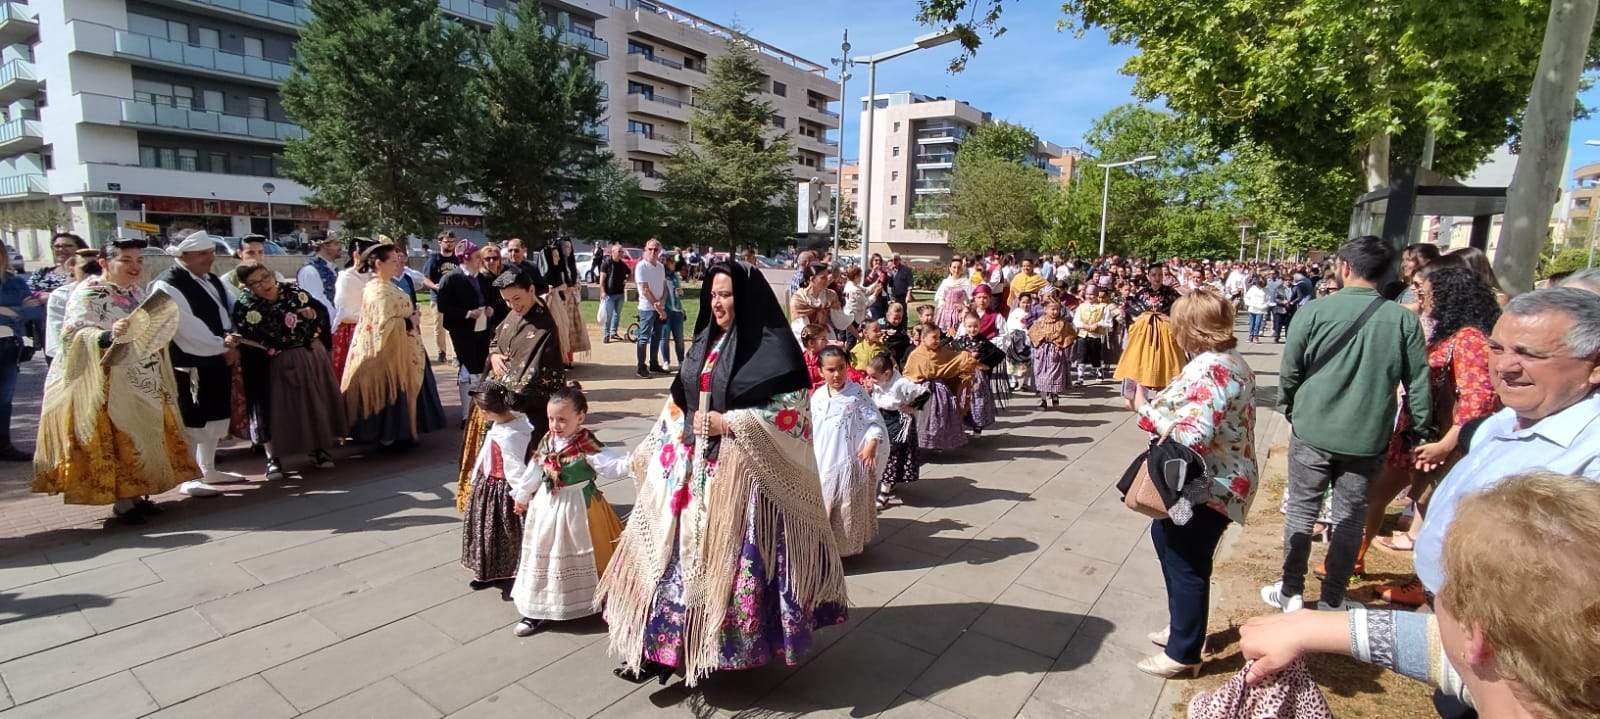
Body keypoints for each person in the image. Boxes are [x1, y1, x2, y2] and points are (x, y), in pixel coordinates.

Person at [595, 261, 848, 686]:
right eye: (713, 294)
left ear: (745, 298)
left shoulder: (774, 352)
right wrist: (666, 434)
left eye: (726, 294)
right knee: (669, 559)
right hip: (690, 473)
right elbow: (681, 398)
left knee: (722, 567)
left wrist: (730, 423)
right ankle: (658, 650)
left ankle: (714, 647)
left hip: (739, 479)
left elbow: (791, 413)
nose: (718, 302)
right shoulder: (705, 343)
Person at [1239, 471, 1600, 719]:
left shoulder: (1490, 673)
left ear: (1478, 638)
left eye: (1445, 585)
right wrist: (1310, 628)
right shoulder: (1541, 682)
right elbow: (1439, 650)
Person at [1265, 236, 1433, 613]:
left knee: (1302, 510)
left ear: (1344, 268)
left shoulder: (1312, 312)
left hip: (1313, 427)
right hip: (1367, 434)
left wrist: (1289, 407)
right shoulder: (1403, 320)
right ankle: (1333, 597)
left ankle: (1290, 589)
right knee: (1350, 515)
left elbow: (1290, 370)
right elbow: (1418, 383)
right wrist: (1419, 431)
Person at [1130, 290, 1257, 678]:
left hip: (1205, 486)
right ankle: (1185, 627)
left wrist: (1145, 410)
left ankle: (1184, 654)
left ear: (1191, 328)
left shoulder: (1212, 368)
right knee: (1168, 539)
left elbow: (1193, 435)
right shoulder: (1226, 360)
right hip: (1206, 483)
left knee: (1185, 559)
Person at [1356, 265, 1499, 606]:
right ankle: (1353, 557)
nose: (1418, 293)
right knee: (1376, 493)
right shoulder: (1448, 333)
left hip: (1441, 446)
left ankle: (1426, 582)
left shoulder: (1469, 339)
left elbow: (1478, 398)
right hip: (1416, 437)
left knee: (1433, 509)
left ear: (1448, 294)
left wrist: (1448, 444)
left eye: (1424, 289)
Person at [32, 237, 200, 523]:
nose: (134, 267)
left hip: (140, 377)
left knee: (141, 437)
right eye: (126, 260)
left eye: (139, 260)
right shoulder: (89, 293)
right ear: (104, 263)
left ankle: (138, 494)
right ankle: (124, 503)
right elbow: (73, 334)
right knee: (117, 440)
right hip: (105, 382)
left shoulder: (135, 292)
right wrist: (107, 335)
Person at [508, 382, 627, 636]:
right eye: (551, 418)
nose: (555, 425)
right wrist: (523, 495)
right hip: (547, 506)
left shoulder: (586, 442)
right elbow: (535, 470)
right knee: (543, 553)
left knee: (594, 551)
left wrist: (640, 460)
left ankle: (604, 599)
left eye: (562, 419)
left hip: (580, 507)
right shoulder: (548, 440)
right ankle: (537, 609)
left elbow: (611, 466)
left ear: (580, 417)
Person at [454, 269, 567, 513]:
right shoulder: (513, 315)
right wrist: (493, 354)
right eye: (506, 300)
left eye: (517, 298)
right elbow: (496, 339)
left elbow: (533, 374)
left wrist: (504, 401)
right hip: (500, 400)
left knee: (522, 465)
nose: (512, 305)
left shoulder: (543, 326)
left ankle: (524, 507)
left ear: (531, 291)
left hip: (524, 409)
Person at [228, 263, 343, 481]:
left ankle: (317, 449)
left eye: (266, 278)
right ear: (247, 286)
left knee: (311, 404)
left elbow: (320, 312)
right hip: (270, 364)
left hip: (307, 356)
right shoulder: (245, 305)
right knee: (272, 409)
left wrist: (312, 314)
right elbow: (244, 335)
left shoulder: (294, 292)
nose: (264, 285)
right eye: (256, 283)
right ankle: (273, 457)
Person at [152, 231, 240, 497]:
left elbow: (231, 307)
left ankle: (208, 468)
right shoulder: (167, 285)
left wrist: (234, 337)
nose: (210, 258)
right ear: (184, 255)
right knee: (192, 418)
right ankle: (188, 477)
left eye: (211, 252)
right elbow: (186, 328)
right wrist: (221, 346)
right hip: (190, 361)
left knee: (215, 413)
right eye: (203, 254)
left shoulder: (212, 280)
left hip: (217, 356)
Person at [340, 242, 448, 446]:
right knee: (390, 391)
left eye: (398, 259)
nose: (397, 263)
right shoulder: (376, 289)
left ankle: (403, 431)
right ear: (379, 263)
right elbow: (382, 324)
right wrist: (409, 321)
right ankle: (388, 434)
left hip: (405, 350)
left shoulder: (388, 285)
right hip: (388, 355)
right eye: (392, 260)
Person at [810, 346, 886, 558]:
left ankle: (844, 550)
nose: (837, 374)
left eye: (841, 368)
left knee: (845, 507)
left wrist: (872, 443)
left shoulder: (856, 395)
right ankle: (822, 550)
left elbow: (874, 423)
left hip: (847, 460)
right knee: (822, 505)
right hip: (821, 460)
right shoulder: (817, 397)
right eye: (831, 369)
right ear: (821, 371)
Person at [459, 380, 534, 590]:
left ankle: (505, 571)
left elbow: (515, 469)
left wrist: (522, 496)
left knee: (500, 531)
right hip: (488, 483)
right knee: (487, 530)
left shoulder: (510, 435)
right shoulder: (505, 425)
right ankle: (489, 570)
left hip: (500, 489)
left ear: (488, 411)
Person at [437, 245, 497, 424]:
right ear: (466, 258)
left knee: (481, 367)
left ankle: (482, 409)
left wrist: (490, 309)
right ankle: (466, 414)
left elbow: (494, 299)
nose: (481, 260)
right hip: (462, 330)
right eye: (477, 257)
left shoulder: (484, 278)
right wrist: (467, 313)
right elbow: (444, 307)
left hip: (483, 328)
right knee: (467, 369)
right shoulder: (450, 279)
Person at [904, 321, 979, 452]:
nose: (937, 341)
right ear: (923, 338)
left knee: (941, 416)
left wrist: (966, 358)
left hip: (940, 391)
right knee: (922, 417)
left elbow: (955, 359)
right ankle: (921, 443)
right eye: (934, 337)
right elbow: (909, 373)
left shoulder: (943, 352)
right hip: (922, 391)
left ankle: (939, 443)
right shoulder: (916, 355)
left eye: (939, 337)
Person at [865, 352, 927, 509]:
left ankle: (884, 494)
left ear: (886, 373)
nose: (872, 380)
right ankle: (887, 483)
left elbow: (924, 392)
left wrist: (911, 407)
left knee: (891, 456)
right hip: (881, 418)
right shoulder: (880, 382)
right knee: (879, 453)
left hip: (898, 421)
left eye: (874, 377)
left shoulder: (901, 383)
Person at [1113, 263, 1185, 396]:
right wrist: (1139, 318)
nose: (1157, 278)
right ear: (1148, 276)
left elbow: (1181, 310)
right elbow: (1131, 308)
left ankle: (1164, 393)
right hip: (1145, 332)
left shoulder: (1171, 293)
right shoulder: (1142, 293)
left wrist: (1169, 319)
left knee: (1165, 361)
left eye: (1160, 275)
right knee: (1141, 359)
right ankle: (1140, 392)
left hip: (1165, 332)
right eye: (1153, 275)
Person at [0, 245, 44, 460]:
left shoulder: (15, 282)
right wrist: (18, 311)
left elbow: (35, 311)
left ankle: (3, 445)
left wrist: (5, 312)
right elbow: (25, 311)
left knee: (4, 399)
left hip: (8, 346)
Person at [44, 250, 101, 369]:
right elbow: (57, 340)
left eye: (97, 269)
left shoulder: (119, 292)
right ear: (72, 268)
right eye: (86, 269)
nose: (93, 275)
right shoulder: (61, 296)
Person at [331, 237, 376, 380]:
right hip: (350, 331)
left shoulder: (374, 277)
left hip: (372, 328)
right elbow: (344, 309)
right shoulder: (346, 277)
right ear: (356, 254)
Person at [547, 240, 589, 365]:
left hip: (572, 300)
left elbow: (578, 280)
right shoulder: (556, 266)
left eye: (569, 247)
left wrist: (575, 286)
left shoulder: (571, 265)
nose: (567, 249)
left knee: (571, 329)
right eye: (565, 247)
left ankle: (569, 359)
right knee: (561, 330)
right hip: (560, 300)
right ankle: (562, 358)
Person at [422, 232, 460, 363]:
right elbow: (425, 279)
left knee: (456, 327)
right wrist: (434, 286)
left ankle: (457, 354)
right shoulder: (434, 259)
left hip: (455, 299)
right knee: (440, 328)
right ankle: (441, 352)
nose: (449, 244)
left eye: (452, 241)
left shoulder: (457, 259)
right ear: (440, 243)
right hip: (438, 299)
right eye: (446, 241)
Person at [634, 239, 668, 378]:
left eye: (656, 249)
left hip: (659, 307)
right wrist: (658, 307)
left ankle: (654, 363)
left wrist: (662, 304)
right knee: (643, 338)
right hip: (647, 308)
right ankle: (641, 367)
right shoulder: (641, 266)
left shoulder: (660, 267)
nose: (653, 252)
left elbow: (664, 287)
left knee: (657, 336)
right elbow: (645, 290)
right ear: (645, 249)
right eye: (650, 249)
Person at [295, 232, 343, 323]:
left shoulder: (332, 268)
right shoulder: (310, 270)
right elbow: (317, 302)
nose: (340, 247)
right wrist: (337, 322)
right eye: (336, 244)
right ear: (325, 246)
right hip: (324, 328)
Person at [1073, 284, 1111, 382]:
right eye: (1088, 294)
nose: (1090, 296)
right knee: (1081, 355)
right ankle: (1080, 376)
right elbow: (1076, 321)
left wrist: (1098, 324)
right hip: (1083, 334)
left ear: (1097, 294)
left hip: (1096, 335)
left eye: (1092, 294)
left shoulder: (1103, 307)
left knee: (1096, 355)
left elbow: (1108, 322)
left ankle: (1099, 373)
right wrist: (1083, 325)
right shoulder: (1081, 307)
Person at [788, 263, 838, 335]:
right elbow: (801, 328)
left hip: (825, 333)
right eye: (823, 277)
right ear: (812, 279)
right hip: (805, 336)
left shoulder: (830, 295)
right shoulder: (799, 299)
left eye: (827, 276)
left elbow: (840, 319)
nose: (827, 280)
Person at [933, 258, 973, 335]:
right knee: (942, 335)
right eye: (954, 267)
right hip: (944, 312)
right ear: (950, 268)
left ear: (962, 269)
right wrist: (943, 306)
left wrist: (964, 309)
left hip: (958, 313)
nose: (956, 270)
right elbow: (940, 296)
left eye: (959, 267)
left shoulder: (966, 282)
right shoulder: (946, 282)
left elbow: (970, 299)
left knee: (956, 333)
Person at [1264, 271, 1290, 342]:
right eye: (1270, 274)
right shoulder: (1267, 281)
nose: (1288, 281)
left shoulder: (1280, 282)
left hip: (1284, 306)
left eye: (1273, 274)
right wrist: (1282, 302)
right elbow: (1276, 297)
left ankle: (1276, 332)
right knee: (1266, 317)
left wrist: (1291, 302)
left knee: (1276, 320)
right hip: (1271, 302)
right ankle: (1263, 330)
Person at [1243, 276, 1269, 343]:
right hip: (1252, 308)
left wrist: (1264, 306)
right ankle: (1250, 336)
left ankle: (1256, 336)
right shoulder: (1253, 289)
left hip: (1260, 310)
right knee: (1252, 323)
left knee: (1257, 324)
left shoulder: (1266, 290)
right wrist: (1249, 304)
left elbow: (1268, 300)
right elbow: (1246, 297)